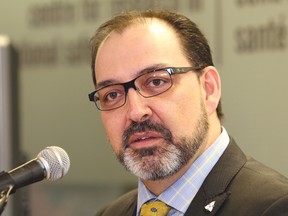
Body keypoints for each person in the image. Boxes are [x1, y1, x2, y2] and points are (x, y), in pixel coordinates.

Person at [88, 10, 288, 216]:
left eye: (156, 82)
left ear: (208, 89)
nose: (136, 112)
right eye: (112, 95)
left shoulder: (275, 207)